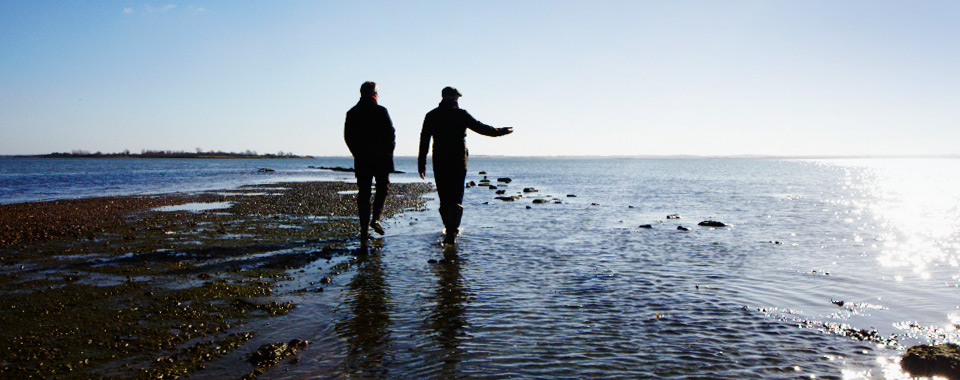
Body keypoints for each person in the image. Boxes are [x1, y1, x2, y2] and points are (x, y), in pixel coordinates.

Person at [418, 86, 513, 244]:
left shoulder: (432, 115)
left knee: (444, 198)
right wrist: (500, 131)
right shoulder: (460, 114)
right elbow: (481, 128)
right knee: (456, 197)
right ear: (455, 98)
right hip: (458, 161)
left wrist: (421, 164)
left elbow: (424, 141)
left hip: (440, 161)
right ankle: (452, 232)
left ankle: (448, 229)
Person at [345, 81, 395, 241]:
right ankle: (376, 219)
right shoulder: (381, 111)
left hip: (362, 159)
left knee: (364, 193)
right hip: (381, 158)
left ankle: (364, 230)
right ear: (374, 94)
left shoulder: (352, 112)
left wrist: (357, 153)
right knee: (382, 188)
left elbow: (348, 137)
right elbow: (391, 134)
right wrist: (388, 153)